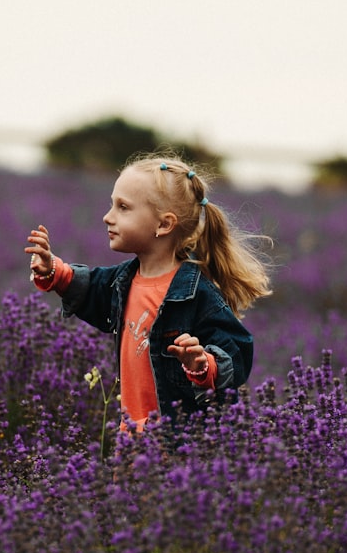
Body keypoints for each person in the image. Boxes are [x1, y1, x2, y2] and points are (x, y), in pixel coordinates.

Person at [24, 153, 272, 428]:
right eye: (112, 205)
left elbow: (236, 352)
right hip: (131, 432)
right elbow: (90, 288)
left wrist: (202, 364)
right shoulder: (124, 280)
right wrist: (51, 270)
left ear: (164, 224)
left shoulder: (197, 293)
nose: (108, 217)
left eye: (123, 207)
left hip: (180, 442)